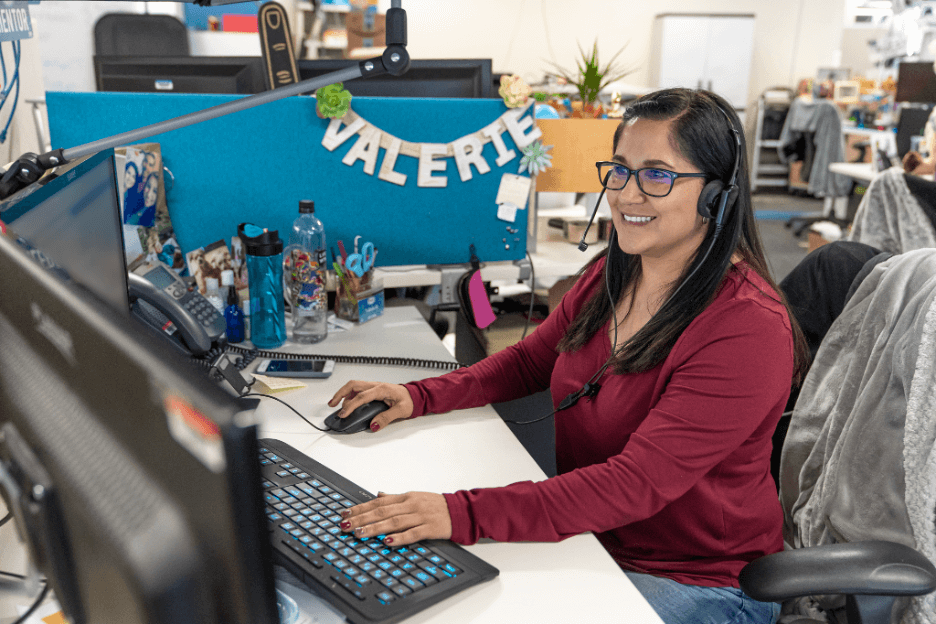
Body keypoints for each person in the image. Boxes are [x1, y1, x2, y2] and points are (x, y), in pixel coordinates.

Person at [328, 88, 809, 624]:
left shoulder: (746, 328)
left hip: (696, 580)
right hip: (591, 540)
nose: (627, 194)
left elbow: (635, 483)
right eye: (620, 170)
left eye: (658, 175)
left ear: (716, 197)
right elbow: (528, 362)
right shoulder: (616, 272)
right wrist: (416, 396)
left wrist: (459, 511)